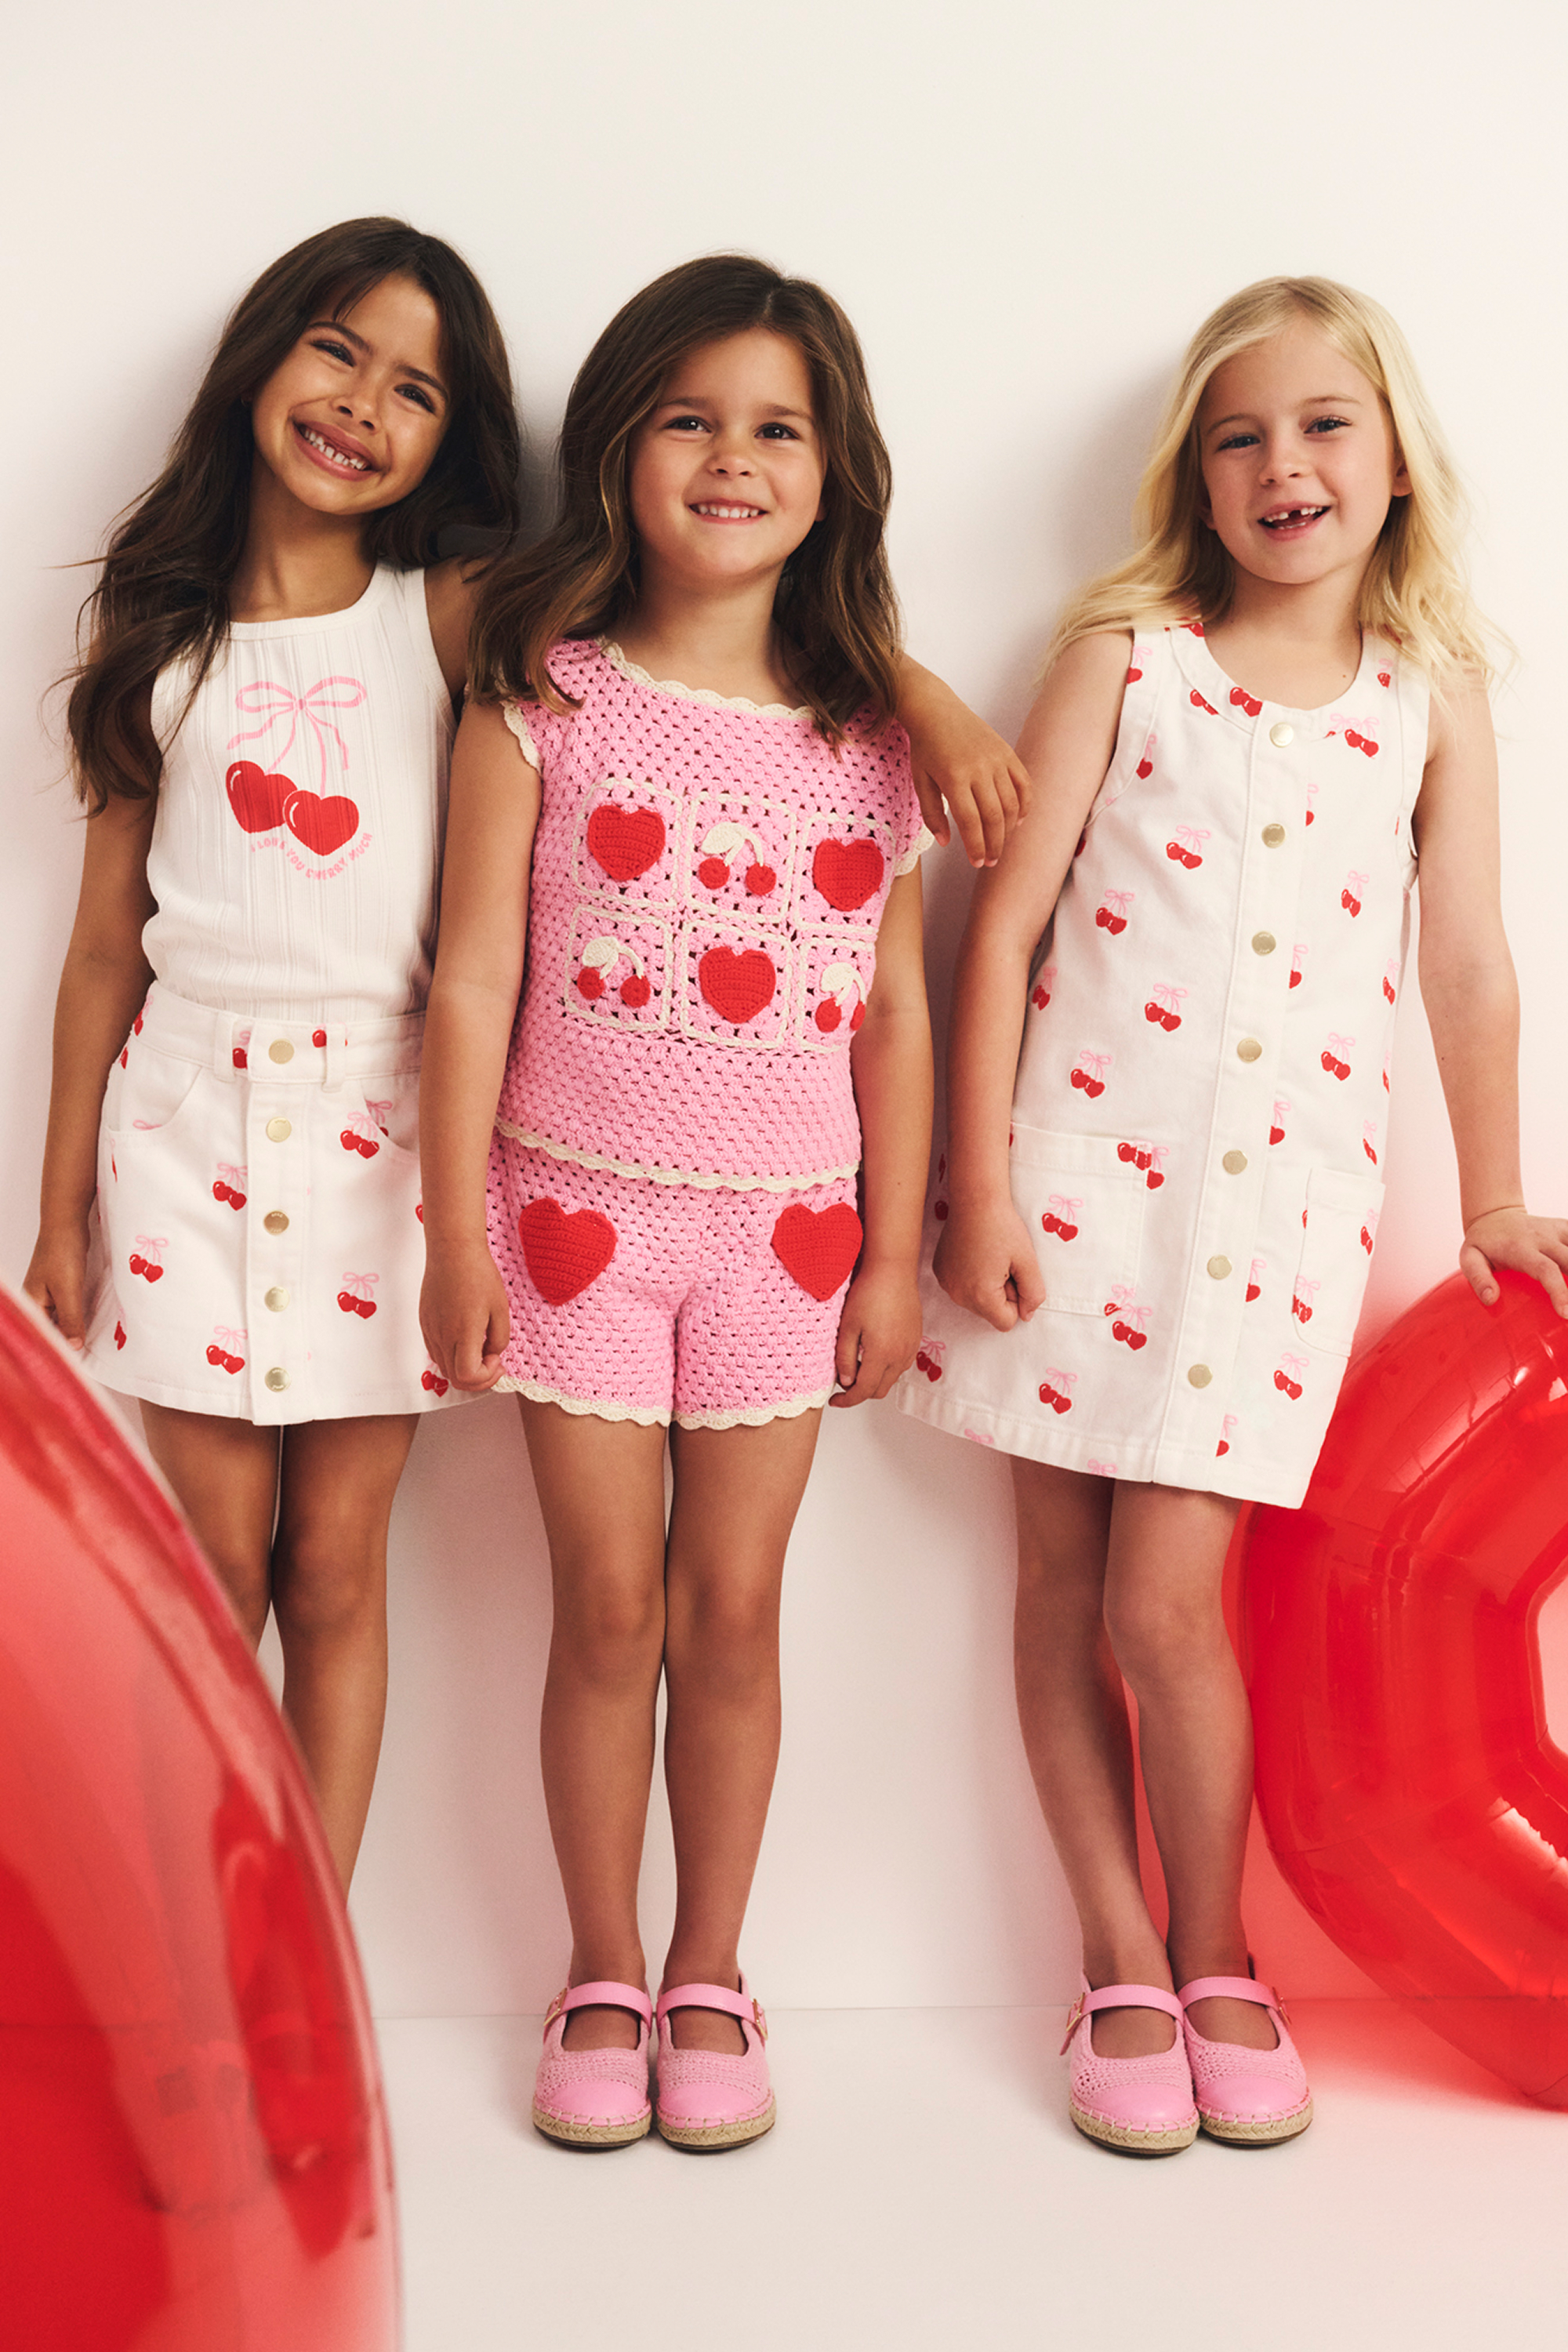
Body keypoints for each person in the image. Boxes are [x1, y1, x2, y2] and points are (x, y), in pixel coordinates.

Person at [898, 276, 1568, 2154]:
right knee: (1058, 1591)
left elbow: (1466, 962)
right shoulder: (1128, 658)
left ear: (1394, 458)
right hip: (1065, 1199)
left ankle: (1217, 1954)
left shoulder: (1427, 700)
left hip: (1269, 1230)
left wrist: (1495, 1192)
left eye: (1323, 424)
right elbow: (1002, 931)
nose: (1285, 464)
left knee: (1162, 1603)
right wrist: (976, 1183)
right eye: (1239, 436)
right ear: (1196, 477)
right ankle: (1117, 1960)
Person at [419, 252, 1025, 2151]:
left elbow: (895, 1015)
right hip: (569, 1226)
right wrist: (451, 1230)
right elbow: (471, 980)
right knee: (606, 1610)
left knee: (733, 1614)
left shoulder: (874, 743)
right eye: (690, 419)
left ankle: (710, 1969)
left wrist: (894, 1259)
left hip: (788, 1243)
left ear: (835, 473)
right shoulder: (540, 696)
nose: (733, 458)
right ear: (620, 447)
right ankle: (599, 1968)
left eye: (778, 428)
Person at [24, 217, 521, 1888]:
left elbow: (675, 591)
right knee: (216, 1569)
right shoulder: (160, 634)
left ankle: (305, 1943)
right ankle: (192, 1932)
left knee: (332, 1571)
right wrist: (62, 1210)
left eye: (417, 392)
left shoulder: (441, 614)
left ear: (450, 440)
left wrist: (918, 694)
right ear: (263, 356)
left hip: (388, 1131)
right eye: (338, 351)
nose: (364, 405)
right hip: (185, 1128)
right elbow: (104, 947)